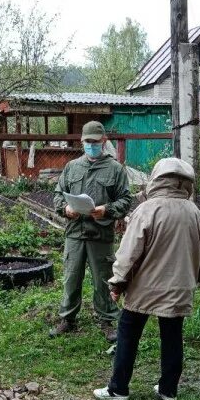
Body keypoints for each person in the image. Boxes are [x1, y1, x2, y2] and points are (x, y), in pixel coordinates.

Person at [93, 158, 200, 400]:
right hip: (179, 286)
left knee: (128, 333)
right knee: (172, 336)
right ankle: (168, 391)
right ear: (186, 182)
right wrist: (194, 278)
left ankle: (119, 389)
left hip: (144, 287)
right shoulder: (194, 211)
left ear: (156, 179)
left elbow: (128, 253)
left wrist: (117, 283)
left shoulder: (147, 209)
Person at [50, 121, 132, 342]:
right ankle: (67, 318)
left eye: (95, 142)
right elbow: (58, 194)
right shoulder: (72, 167)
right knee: (71, 277)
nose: (91, 145)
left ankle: (107, 321)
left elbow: (125, 200)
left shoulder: (115, 169)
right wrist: (66, 208)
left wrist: (106, 210)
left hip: (100, 233)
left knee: (104, 278)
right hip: (75, 232)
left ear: (103, 142)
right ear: (82, 141)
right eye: (88, 142)